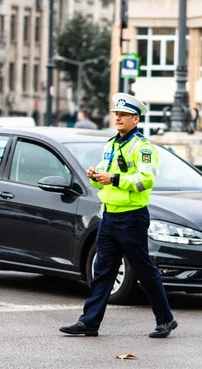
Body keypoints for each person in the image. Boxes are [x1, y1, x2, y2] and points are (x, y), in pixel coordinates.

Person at [60, 93, 178, 339]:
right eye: (117, 114)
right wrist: (96, 174)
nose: (118, 118)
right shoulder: (112, 144)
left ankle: (166, 319)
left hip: (131, 218)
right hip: (109, 217)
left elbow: (145, 181)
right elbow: (106, 171)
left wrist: (112, 179)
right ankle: (89, 322)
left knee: (144, 271)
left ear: (136, 119)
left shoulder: (143, 148)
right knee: (102, 272)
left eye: (124, 115)